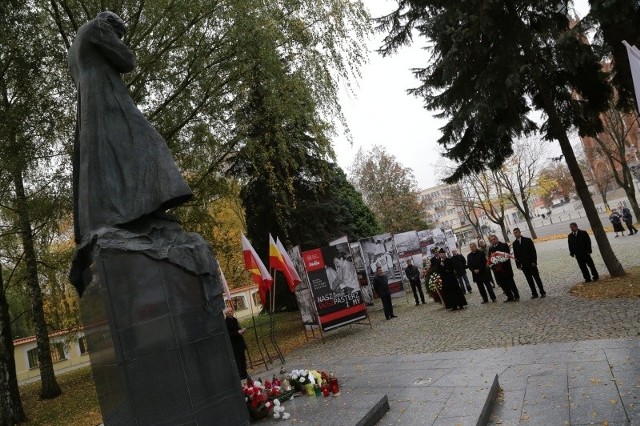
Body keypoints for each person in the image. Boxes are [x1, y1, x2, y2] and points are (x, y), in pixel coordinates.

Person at [68, 12, 192, 245]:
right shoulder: (99, 26)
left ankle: (131, 212)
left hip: (88, 106)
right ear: (111, 25)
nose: (118, 39)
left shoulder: (73, 47)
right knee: (150, 143)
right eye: (118, 35)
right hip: (106, 96)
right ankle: (150, 206)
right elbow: (126, 61)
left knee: (106, 160)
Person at [512, 228, 546, 299]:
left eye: (516, 232)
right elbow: (516, 255)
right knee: (529, 280)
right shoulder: (514, 244)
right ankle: (534, 293)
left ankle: (542, 292)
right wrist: (518, 264)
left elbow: (533, 251)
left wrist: (534, 261)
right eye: (514, 233)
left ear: (520, 232)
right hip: (523, 265)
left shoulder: (527, 240)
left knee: (537, 278)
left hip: (531, 263)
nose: (515, 234)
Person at [488, 234, 520, 302]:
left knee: (511, 283)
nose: (493, 241)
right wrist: (493, 265)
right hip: (497, 270)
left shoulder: (504, 245)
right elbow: (490, 258)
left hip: (506, 268)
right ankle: (509, 296)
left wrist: (501, 263)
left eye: (494, 239)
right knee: (503, 284)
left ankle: (516, 296)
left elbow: (507, 256)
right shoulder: (491, 248)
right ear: (490, 241)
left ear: (497, 239)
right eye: (491, 240)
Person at [224, 307, 249, 380]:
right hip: (234, 344)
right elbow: (228, 334)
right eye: (230, 311)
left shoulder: (234, 319)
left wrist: (241, 330)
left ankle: (244, 374)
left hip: (240, 342)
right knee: (238, 361)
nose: (232, 312)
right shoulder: (226, 322)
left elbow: (237, 329)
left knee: (243, 359)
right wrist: (237, 332)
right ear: (226, 313)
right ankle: (240, 375)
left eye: (232, 310)